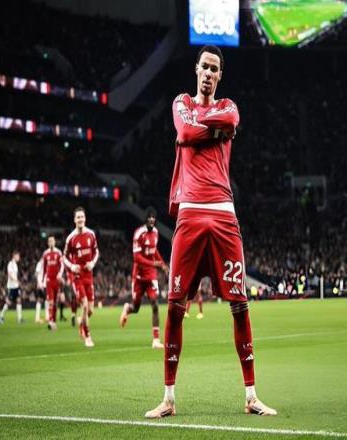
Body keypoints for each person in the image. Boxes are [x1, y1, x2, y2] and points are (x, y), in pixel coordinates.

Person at [145, 45, 276, 418]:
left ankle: (251, 396)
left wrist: (199, 131)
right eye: (203, 66)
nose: (207, 73)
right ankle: (168, 399)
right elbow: (185, 129)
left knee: (240, 306)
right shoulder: (181, 102)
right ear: (196, 69)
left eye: (214, 69)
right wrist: (210, 130)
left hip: (223, 214)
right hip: (189, 214)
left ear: (220, 75)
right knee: (175, 306)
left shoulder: (230, 107)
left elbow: (217, 126)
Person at [120, 207, 168, 349]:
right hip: (139, 276)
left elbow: (154, 250)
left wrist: (162, 264)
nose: (151, 219)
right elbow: (137, 258)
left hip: (151, 275)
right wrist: (154, 263)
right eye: (149, 217)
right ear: (145, 219)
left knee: (155, 303)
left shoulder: (156, 232)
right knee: (136, 307)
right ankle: (127, 308)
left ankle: (156, 340)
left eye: (153, 217)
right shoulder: (139, 234)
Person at [63, 207, 99, 347]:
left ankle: (81, 322)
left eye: (82, 217)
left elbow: (96, 252)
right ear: (74, 220)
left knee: (90, 310)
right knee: (84, 305)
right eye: (78, 217)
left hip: (89, 275)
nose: (80, 219)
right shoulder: (70, 238)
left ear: (85, 218)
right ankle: (87, 337)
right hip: (77, 276)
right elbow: (64, 257)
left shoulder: (91, 234)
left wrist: (93, 263)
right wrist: (72, 266)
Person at [41, 235, 64, 331]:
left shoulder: (58, 252)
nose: (51, 243)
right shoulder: (45, 254)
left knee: (55, 302)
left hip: (57, 281)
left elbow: (62, 265)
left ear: (55, 242)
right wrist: (43, 280)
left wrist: (60, 274)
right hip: (49, 281)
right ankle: (50, 321)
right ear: (48, 243)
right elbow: (44, 268)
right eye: (49, 241)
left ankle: (54, 321)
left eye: (52, 241)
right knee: (50, 302)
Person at [0, 251, 24, 324]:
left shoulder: (15, 265)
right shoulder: (10, 264)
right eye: (18, 256)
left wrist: (17, 283)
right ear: (14, 256)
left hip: (16, 286)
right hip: (11, 286)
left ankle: (19, 319)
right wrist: (17, 281)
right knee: (9, 303)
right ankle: (1, 316)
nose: (19, 258)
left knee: (19, 300)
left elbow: (14, 275)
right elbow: (9, 275)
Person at [34, 258, 46, 324]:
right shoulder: (40, 263)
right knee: (41, 299)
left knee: (42, 300)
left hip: (45, 284)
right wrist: (38, 283)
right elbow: (36, 273)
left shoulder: (45, 263)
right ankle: (38, 318)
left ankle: (38, 317)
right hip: (41, 284)